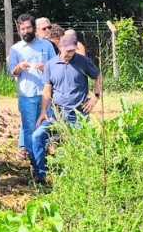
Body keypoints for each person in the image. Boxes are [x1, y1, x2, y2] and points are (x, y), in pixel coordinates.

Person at [32, 30, 103, 183]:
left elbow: (98, 75)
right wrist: (43, 111)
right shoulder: (51, 65)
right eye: (68, 50)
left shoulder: (83, 61)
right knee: (37, 136)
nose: (71, 53)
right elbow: (47, 89)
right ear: (60, 48)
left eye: (73, 49)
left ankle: (78, 175)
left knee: (81, 144)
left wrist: (95, 97)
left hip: (78, 115)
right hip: (56, 114)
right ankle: (40, 174)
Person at [8, 14, 56, 173]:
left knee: (44, 128)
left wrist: (46, 66)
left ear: (34, 28)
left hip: (45, 95)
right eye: (22, 29)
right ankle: (35, 163)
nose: (26, 31)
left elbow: (56, 65)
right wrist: (19, 67)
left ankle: (42, 157)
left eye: (28, 27)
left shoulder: (47, 45)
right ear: (19, 30)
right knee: (29, 130)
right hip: (26, 96)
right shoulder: (15, 49)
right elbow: (11, 72)